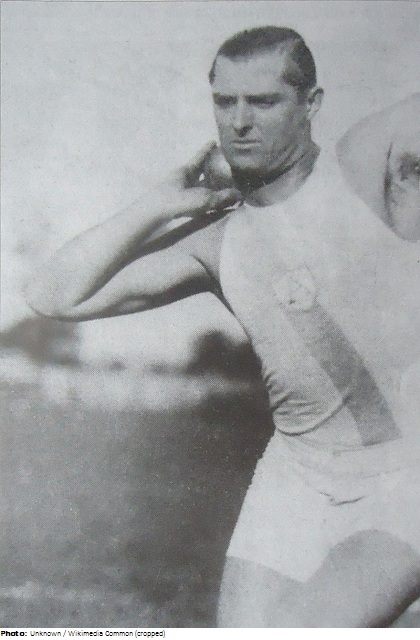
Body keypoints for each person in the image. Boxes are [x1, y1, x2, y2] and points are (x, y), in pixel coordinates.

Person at [26, 27, 420, 627]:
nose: (239, 122)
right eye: (224, 101)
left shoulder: (364, 164)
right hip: (297, 475)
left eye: (263, 102)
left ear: (310, 104)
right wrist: (162, 202)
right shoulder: (215, 241)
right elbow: (51, 294)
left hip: (403, 475)